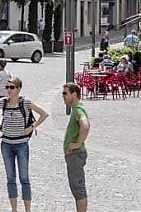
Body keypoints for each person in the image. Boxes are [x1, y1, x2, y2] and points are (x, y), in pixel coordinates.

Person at [0, 76, 48, 212]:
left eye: (12, 87)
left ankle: (28, 209)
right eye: (7, 87)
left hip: (22, 144)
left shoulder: (25, 103)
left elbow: (44, 114)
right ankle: (14, 209)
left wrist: (32, 126)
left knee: (24, 178)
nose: (9, 90)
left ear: (18, 89)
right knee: (10, 177)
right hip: (6, 144)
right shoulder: (3, 102)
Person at [62, 82, 90, 212]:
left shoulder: (78, 109)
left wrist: (78, 143)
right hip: (74, 155)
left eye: (65, 93)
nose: (63, 96)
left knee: (79, 191)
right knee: (76, 190)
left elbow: (85, 125)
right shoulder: (76, 109)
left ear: (74, 94)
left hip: (75, 155)